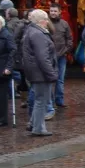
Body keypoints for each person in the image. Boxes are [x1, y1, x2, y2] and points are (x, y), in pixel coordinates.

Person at [22, 9, 57, 137]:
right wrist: (51, 74)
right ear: (41, 21)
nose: (47, 22)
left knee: (39, 99)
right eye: (46, 19)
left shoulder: (31, 31)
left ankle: (34, 123)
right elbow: (43, 57)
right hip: (40, 73)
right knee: (41, 100)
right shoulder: (38, 34)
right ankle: (38, 128)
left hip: (35, 71)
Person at [48, 3, 73, 109]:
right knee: (49, 80)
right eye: (51, 11)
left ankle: (59, 100)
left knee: (60, 79)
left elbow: (69, 38)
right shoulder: (46, 23)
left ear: (59, 12)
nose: (53, 13)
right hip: (49, 56)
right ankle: (50, 101)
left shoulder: (64, 24)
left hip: (61, 55)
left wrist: (66, 50)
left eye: (55, 11)